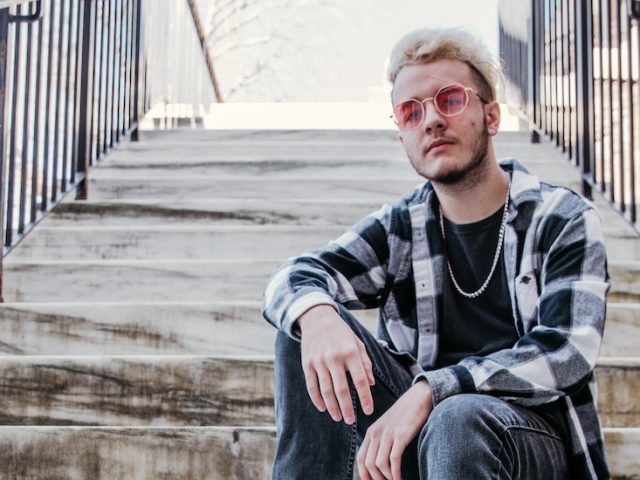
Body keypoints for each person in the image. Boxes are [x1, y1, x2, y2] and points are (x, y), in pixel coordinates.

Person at [262, 27, 610, 479]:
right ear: (402, 135)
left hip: (531, 444)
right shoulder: (401, 227)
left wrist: (434, 389)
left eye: (449, 99)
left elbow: (565, 351)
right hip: (420, 440)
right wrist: (317, 316)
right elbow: (293, 276)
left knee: (458, 417)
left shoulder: (561, 216)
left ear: (492, 116)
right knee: (303, 325)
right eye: (410, 111)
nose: (430, 120)